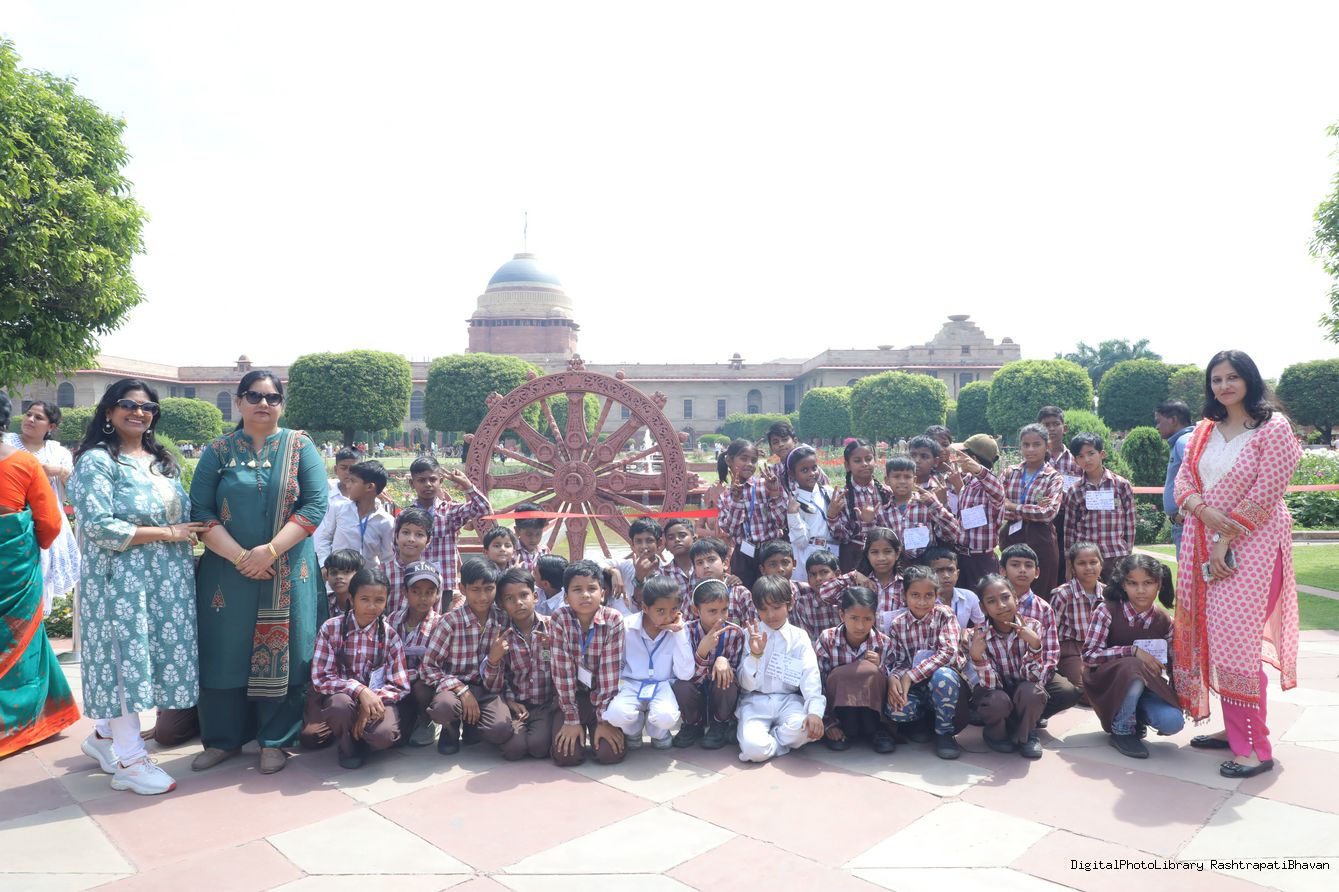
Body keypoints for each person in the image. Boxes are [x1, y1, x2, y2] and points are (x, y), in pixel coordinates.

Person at [71, 380, 207, 793]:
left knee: (149, 658)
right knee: (123, 660)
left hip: (165, 581)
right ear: (109, 411)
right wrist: (167, 533)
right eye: (128, 404)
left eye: (148, 407)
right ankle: (130, 760)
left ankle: (104, 737)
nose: (139, 412)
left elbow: (184, 513)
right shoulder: (98, 461)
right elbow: (99, 526)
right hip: (120, 581)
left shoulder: (162, 461)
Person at [190, 371, 328, 775]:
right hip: (226, 572)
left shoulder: (301, 446)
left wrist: (268, 551)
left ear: (282, 404)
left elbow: (314, 505)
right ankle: (223, 739)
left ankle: (275, 740)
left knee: (287, 649)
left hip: (287, 568)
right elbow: (201, 510)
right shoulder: (218, 451)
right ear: (239, 402)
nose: (263, 403)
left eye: (272, 397)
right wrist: (240, 557)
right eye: (253, 396)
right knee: (224, 649)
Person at [1174, 349, 1302, 779]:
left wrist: (1225, 537)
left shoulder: (1273, 428)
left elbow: (1268, 491)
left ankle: (1255, 749)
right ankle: (1235, 731)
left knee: (1238, 645)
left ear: (1250, 379)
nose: (1224, 386)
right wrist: (1202, 511)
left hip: (1254, 548)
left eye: (1232, 377)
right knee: (1216, 640)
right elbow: (1184, 480)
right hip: (1202, 543)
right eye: (1216, 379)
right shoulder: (1205, 429)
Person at [0, 393, 80, 760]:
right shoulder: (23, 464)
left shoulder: (43, 456)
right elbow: (48, 523)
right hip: (14, 570)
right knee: (23, 639)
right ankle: (21, 723)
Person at [1082, 555, 1182, 759]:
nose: (1141, 590)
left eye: (1148, 583)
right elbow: (1089, 656)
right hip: (1109, 684)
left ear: (1159, 584)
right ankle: (1122, 730)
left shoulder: (1164, 620)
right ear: (1123, 585)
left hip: (1147, 685)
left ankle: (1136, 716)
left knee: (1173, 722)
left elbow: (1174, 663)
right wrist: (1132, 651)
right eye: (1133, 583)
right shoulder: (1107, 610)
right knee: (1133, 667)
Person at [311, 567, 408, 769]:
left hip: (376, 700)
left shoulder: (390, 636)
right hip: (343, 699)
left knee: (384, 735)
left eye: (379, 600)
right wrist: (360, 691)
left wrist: (371, 701)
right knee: (337, 708)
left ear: (386, 601)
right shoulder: (331, 628)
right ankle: (347, 747)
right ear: (351, 599)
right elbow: (321, 678)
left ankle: (364, 737)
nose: (372, 606)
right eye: (364, 599)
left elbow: (400, 685)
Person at [421, 557, 514, 755]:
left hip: (487, 688)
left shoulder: (503, 619)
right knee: (444, 706)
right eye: (475, 589)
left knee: (501, 730)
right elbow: (428, 667)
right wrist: (462, 690)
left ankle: (473, 726)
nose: (483, 596)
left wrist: (494, 660)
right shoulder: (450, 622)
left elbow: (504, 672)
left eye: (489, 589)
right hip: (454, 689)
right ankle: (450, 730)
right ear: (463, 589)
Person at [736, 576, 825, 762]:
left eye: (776, 607)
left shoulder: (799, 637)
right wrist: (755, 656)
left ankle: (771, 740)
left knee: (807, 729)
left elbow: (811, 676)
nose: (770, 615)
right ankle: (774, 742)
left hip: (789, 702)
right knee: (754, 750)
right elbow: (745, 684)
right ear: (756, 608)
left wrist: (814, 712)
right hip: (755, 702)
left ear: (789, 604)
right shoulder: (749, 635)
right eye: (763, 609)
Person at [885, 565, 968, 759]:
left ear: (936, 595)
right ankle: (921, 721)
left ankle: (944, 732)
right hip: (916, 686)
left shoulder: (945, 615)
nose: (922, 602)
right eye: (915, 595)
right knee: (896, 708)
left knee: (943, 676)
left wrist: (911, 675)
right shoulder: (898, 624)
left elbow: (949, 653)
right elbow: (900, 661)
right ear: (905, 596)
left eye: (928, 595)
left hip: (945, 683)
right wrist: (895, 678)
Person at [4, 401, 80, 612]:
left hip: (46, 523)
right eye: (29, 414)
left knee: (40, 583)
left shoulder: (58, 453)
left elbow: (74, 492)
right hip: (14, 521)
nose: (30, 420)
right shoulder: (7, 443)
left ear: (51, 427)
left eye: (38, 418)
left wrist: (60, 471)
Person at [602, 577, 694, 749]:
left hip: (662, 685)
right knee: (616, 714)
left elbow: (686, 673)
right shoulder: (626, 626)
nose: (669, 616)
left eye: (674, 609)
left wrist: (679, 634)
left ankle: (658, 732)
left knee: (666, 716)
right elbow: (616, 664)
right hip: (631, 684)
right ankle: (633, 731)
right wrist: (620, 688)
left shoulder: (680, 629)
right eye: (660, 611)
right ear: (645, 608)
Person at [550, 559, 626, 767]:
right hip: (570, 697)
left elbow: (610, 674)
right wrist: (571, 719)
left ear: (603, 593)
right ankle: (575, 727)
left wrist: (604, 720)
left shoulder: (613, 619)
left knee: (609, 754)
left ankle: (595, 726)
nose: (585, 595)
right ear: (566, 597)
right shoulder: (560, 618)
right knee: (567, 756)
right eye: (577, 589)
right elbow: (562, 672)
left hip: (602, 697)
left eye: (592, 588)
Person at [970, 574, 1050, 759]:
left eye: (1006, 597)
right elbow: (990, 685)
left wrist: (1035, 646)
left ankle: (1027, 735)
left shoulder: (1033, 627)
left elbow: (1033, 677)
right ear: (983, 607)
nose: (1001, 605)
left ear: (1015, 598)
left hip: (1023, 686)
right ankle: (995, 734)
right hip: (995, 690)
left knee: (1032, 692)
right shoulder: (979, 636)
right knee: (997, 701)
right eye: (991, 601)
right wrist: (977, 657)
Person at [483, 567, 557, 760]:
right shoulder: (502, 634)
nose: (518, 603)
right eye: (510, 598)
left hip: (545, 704)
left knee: (538, 748)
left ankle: (542, 730)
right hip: (516, 704)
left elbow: (565, 668)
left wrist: (554, 649)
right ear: (501, 604)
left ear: (535, 596)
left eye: (524, 595)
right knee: (513, 750)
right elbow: (497, 682)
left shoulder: (552, 627)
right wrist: (494, 659)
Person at [814, 586, 894, 753]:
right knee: (839, 675)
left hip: (872, 712)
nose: (860, 626)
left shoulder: (883, 643)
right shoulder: (827, 639)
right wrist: (828, 723)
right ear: (842, 615)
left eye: (867, 619)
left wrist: (880, 666)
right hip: (840, 712)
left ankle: (878, 729)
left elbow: (892, 681)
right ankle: (842, 728)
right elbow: (817, 682)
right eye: (854, 618)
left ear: (875, 617)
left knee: (871, 671)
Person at [671, 579, 744, 749]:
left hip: (721, 699)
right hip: (696, 695)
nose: (720, 617)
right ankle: (693, 724)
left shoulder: (735, 633)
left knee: (728, 679)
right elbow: (686, 675)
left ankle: (720, 723)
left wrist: (723, 661)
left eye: (724, 610)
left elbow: (739, 680)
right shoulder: (686, 632)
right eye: (712, 611)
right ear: (695, 610)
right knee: (681, 685)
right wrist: (702, 652)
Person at [999, 423, 1064, 597]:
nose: (1030, 449)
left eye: (1036, 444)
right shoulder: (1010, 472)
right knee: (1009, 590)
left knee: (1042, 590)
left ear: (1047, 445)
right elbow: (997, 506)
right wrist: (1033, 509)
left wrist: (1013, 506)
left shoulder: (1053, 477)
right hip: (1011, 535)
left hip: (1041, 539)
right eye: (1026, 445)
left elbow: (1048, 513)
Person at [1062, 433, 1136, 580]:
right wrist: (1069, 563)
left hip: (1115, 555)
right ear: (1076, 460)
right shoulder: (1075, 490)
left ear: (1102, 454)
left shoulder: (1121, 485)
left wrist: (1127, 554)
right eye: (1081, 456)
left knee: (1116, 594)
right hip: (1086, 558)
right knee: (1087, 594)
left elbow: (1130, 523)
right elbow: (1069, 529)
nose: (1087, 459)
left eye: (1091, 453)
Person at [716, 438, 786, 587]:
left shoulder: (766, 485)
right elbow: (731, 530)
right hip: (744, 555)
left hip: (771, 551)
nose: (749, 464)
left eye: (754, 460)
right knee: (745, 591)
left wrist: (775, 493)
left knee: (773, 591)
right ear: (729, 460)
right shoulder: (725, 497)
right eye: (744, 459)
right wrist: (736, 501)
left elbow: (781, 522)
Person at [868, 457, 962, 566]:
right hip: (897, 566)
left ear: (915, 480)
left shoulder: (927, 504)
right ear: (887, 480)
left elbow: (954, 532)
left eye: (907, 477)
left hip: (926, 566)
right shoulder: (882, 512)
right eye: (896, 476)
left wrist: (935, 505)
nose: (902, 481)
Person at [945, 435, 1006, 593]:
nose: (958, 459)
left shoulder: (991, 486)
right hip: (963, 557)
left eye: (962, 455)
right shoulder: (970, 483)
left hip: (981, 560)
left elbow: (996, 488)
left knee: (982, 601)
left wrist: (979, 470)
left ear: (973, 459)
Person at [393, 560, 445, 746]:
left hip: (424, 683)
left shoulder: (440, 624)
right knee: (395, 738)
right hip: (396, 685)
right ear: (405, 592)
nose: (423, 598)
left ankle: (427, 720)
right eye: (416, 591)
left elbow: (437, 666)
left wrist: (407, 676)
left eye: (429, 592)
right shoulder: (393, 620)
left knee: (422, 688)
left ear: (437, 595)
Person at [315, 460, 394, 571]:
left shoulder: (386, 522)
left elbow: (387, 558)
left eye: (353, 481)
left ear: (369, 487)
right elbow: (325, 539)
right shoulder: (339, 509)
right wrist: (324, 566)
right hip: (339, 576)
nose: (347, 485)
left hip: (367, 579)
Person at [1050, 541, 1105, 701]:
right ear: (1073, 568)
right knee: (1087, 693)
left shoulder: (1108, 594)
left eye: (1093, 562)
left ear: (1101, 564)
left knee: (1114, 682)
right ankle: (1064, 673)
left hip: (1100, 650)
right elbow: (1051, 630)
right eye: (1081, 563)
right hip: (1071, 651)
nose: (1088, 567)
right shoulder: (1063, 594)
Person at [820, 527, 904, 629]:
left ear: (897, 554)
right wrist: (853, 575)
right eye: (874, 552)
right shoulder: (857, 582)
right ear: (867, 555)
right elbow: (825, 594)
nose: (881, 558)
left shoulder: (906, 584)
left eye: (887, 551)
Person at [827, 438, 891, 571]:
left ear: (875, 460)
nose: (864, 464)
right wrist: (832, 516)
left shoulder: (886, 492)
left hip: (884, 557)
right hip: (853, 559)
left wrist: (870, 523)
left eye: (868, 459)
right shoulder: (842, 496)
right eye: (857, 461)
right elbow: (842, 536)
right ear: (847, 465)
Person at [1038, 407, 1083, 591]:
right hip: (1040, 522)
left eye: (1055, 424)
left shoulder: (1077, 460)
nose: (1051, 429)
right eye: (1046, 425)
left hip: (1068, 521)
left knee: (1067, 568)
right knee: (1042, 569)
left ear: (1065, 428)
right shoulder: (1034, 459)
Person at [784, 445, 835, 580]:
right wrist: (793, 515)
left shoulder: (828, 493)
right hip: (806, 556)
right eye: (804, 470)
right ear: (792, 474)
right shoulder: (793, 501)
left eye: (814, 468)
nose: (812, 473)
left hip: (831, 553)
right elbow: (801, 541)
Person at [1154, 400, 1196, 557]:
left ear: (1173, 420)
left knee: (1188, 571)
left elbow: (1198, 471)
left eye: (1159, 421)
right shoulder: (1185, 440)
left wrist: (1184, 514)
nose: (1157, 426)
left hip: (1185, 523)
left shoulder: (1183, 441)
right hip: (1183, 522)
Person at [511, 503, 549, 572]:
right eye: (528, 534)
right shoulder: (511, 553)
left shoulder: (544, 550)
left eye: (538, 534)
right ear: (517, 531)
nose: (534, 539)